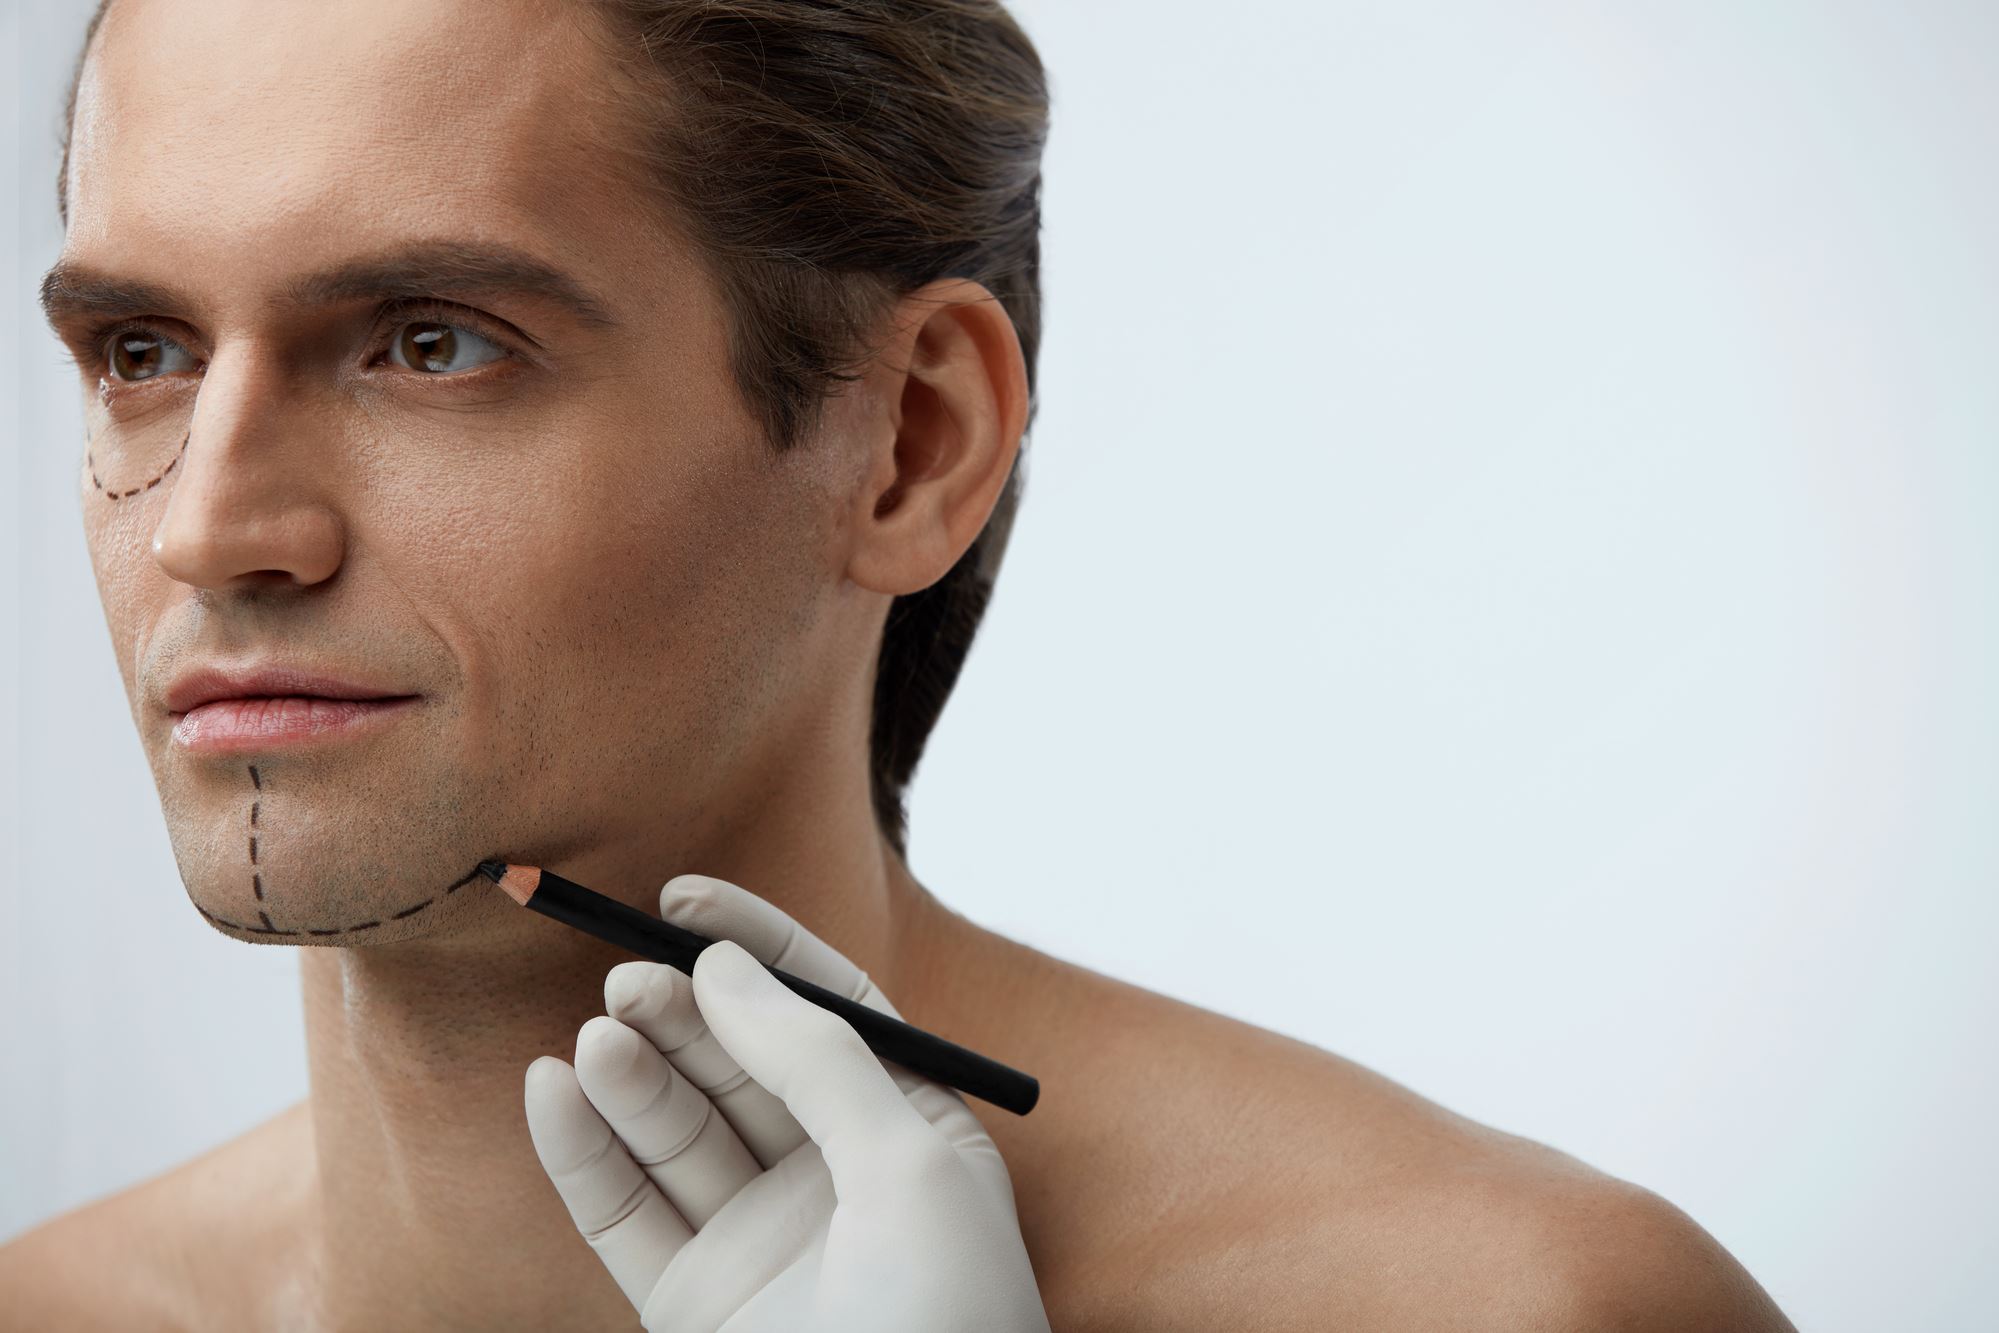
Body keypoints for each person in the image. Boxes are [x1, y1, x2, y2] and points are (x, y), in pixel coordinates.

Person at [1, 0, 1798, 1328]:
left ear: (910, 444)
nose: (209, 530)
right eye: (143, 351)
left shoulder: (1511, 1310)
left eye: (432, 343)